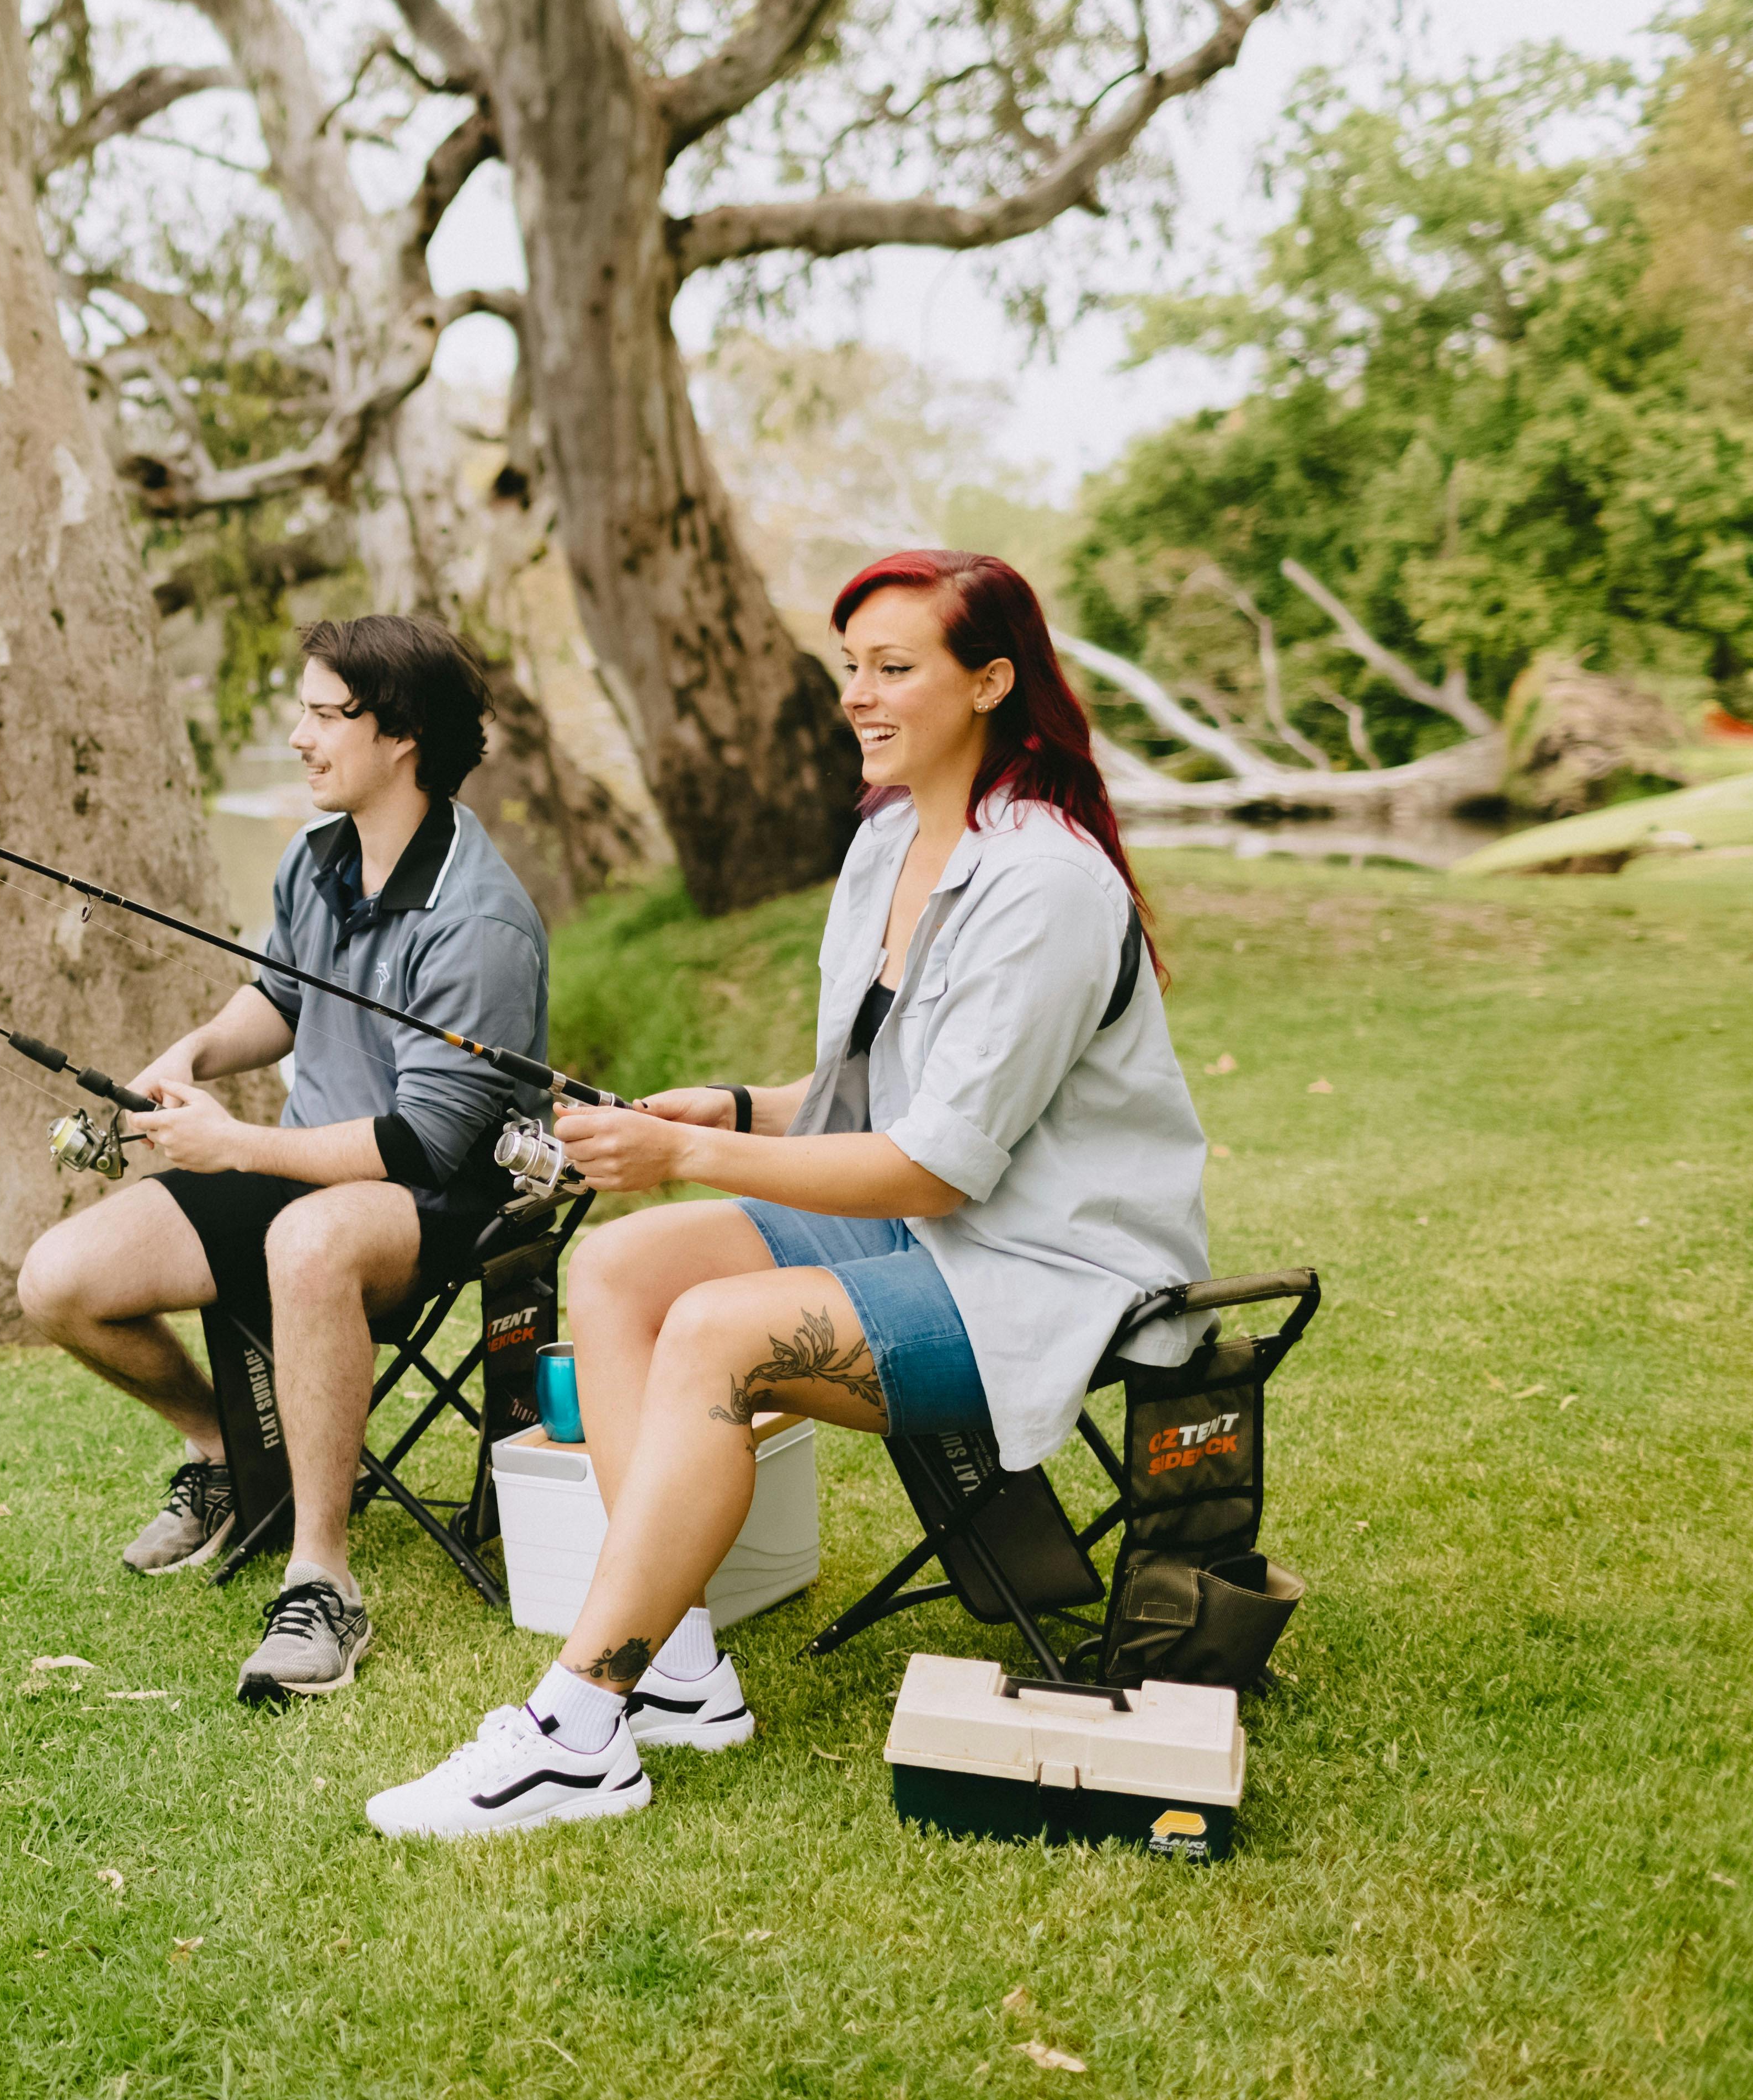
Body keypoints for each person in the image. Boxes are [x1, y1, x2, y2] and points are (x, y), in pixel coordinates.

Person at [363, 549, 1212, 1837]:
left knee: (715, 1326)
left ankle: (579, 1723)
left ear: (991, 682)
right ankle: (683, 1668)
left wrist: (684, 1157)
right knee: (615, 1269)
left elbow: (935, 1162)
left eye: (895, 668)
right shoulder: (888, 839)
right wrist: (736, 1109)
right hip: (921, 1228)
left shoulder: (1043, 884)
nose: (858, 698)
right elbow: (876, 1089)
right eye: (849, 669)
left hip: (1045, 1272)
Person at [16, 615, 547, 1704]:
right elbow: (283, 996)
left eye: (322, 712)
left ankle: (323, 1576)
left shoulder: (479, 921)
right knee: (57, 1280)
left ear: (399, 734)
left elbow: (423, 1141)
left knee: (306, 1240)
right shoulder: (319, 857)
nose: (299, 735)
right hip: (304, 1171)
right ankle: (229, 1456)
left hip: (436, 1201)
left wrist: (238, 1143)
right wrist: (196, 1051)